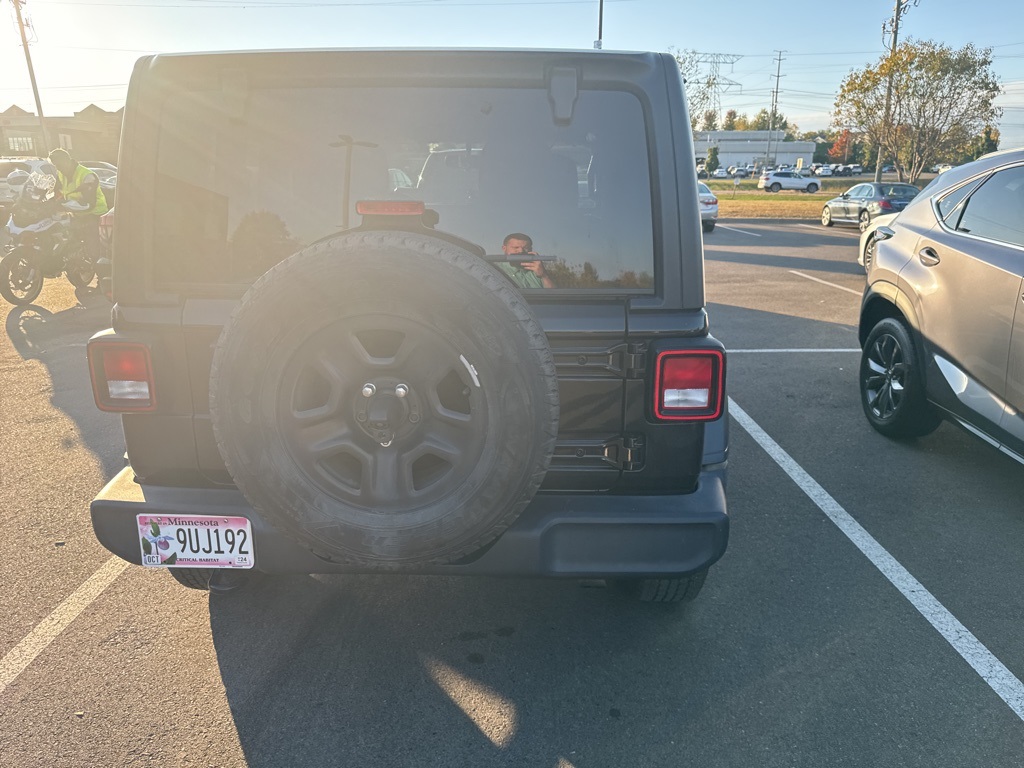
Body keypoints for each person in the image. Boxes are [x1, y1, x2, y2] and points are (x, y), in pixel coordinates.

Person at [47, 148, 108, 262]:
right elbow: (57, 192)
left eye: (59, 165)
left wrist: (63, 205)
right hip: (76, 212)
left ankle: (100, 272)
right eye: (55, 166)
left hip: (95, 213)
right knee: (67, 236)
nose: (58, 168)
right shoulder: (60, 173)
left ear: (67, 161)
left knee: (93, 245)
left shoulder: (87, 175)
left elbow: (88, 204)